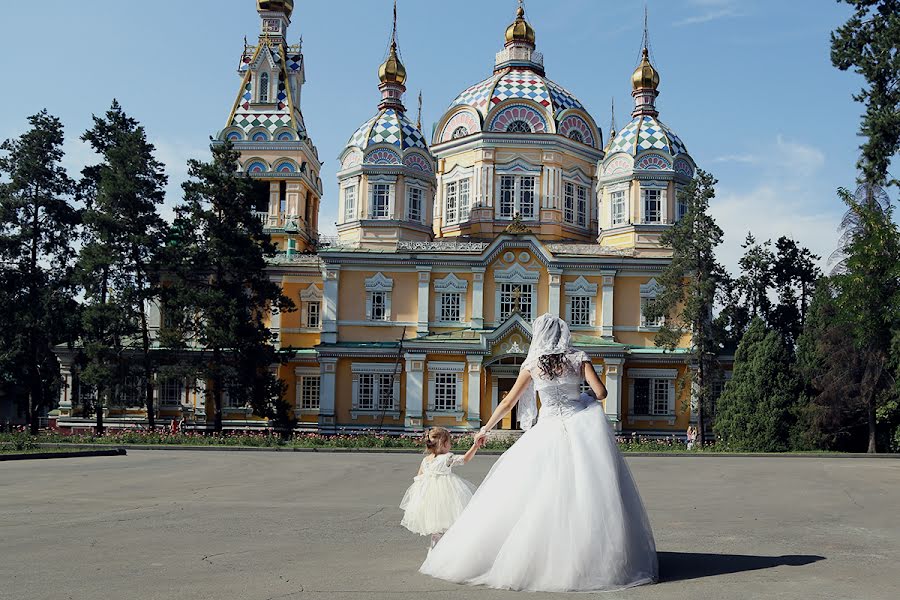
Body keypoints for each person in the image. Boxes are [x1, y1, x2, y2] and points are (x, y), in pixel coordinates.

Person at [420, 314, 658, 592]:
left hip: (547, 430)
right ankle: (587, 559)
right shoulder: (578, 357)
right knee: (587, 494)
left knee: (533, 493)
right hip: (581, 427)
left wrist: (485, 428)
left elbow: (509, 401)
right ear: (563, 334)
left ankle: (530, 558)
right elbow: (602, 392)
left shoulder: (532, 364)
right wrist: (582, 399)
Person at [400, 427, 484, 552]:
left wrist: (419, 495)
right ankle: (448, 551)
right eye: (449, 442)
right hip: (447, 493)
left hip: (429, 495)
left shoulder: (426, 460)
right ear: (444, 444)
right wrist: (475, 446)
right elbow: (465, 459)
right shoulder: (447, 458)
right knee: (450, 520)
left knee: (435, 524)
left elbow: (419, 477)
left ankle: (434, 551)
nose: (451, 445)